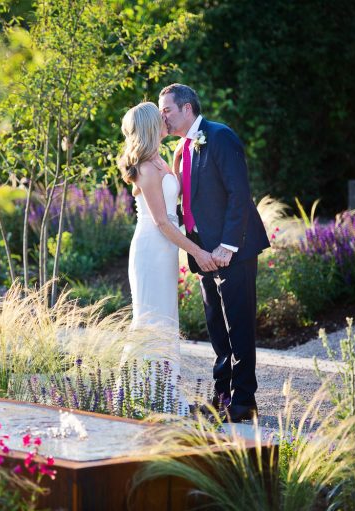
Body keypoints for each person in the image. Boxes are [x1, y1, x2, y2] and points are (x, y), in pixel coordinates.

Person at [159, 84, 270, 422]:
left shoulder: (219, 137)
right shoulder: (182, 147)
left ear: (188, 108)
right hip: (203, 255)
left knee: (238, 327)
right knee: (217, 329)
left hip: (231, 252)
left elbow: (239, 193)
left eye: (167, 110)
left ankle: (243, 402)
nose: (163, 116)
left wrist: (228, 245)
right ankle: (222, 396)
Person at [118, 101, 215, 414]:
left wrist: (177, 160)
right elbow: (161, 221)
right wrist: (197, 251)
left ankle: (163, 391)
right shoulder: (145, 167)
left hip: (166, 249)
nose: (165, 118)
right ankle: (131, 393)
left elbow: (173, 200)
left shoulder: (159, 159)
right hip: (151, 247)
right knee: (149, 322)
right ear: (149, 125)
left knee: (166, 320)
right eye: (159, 116)